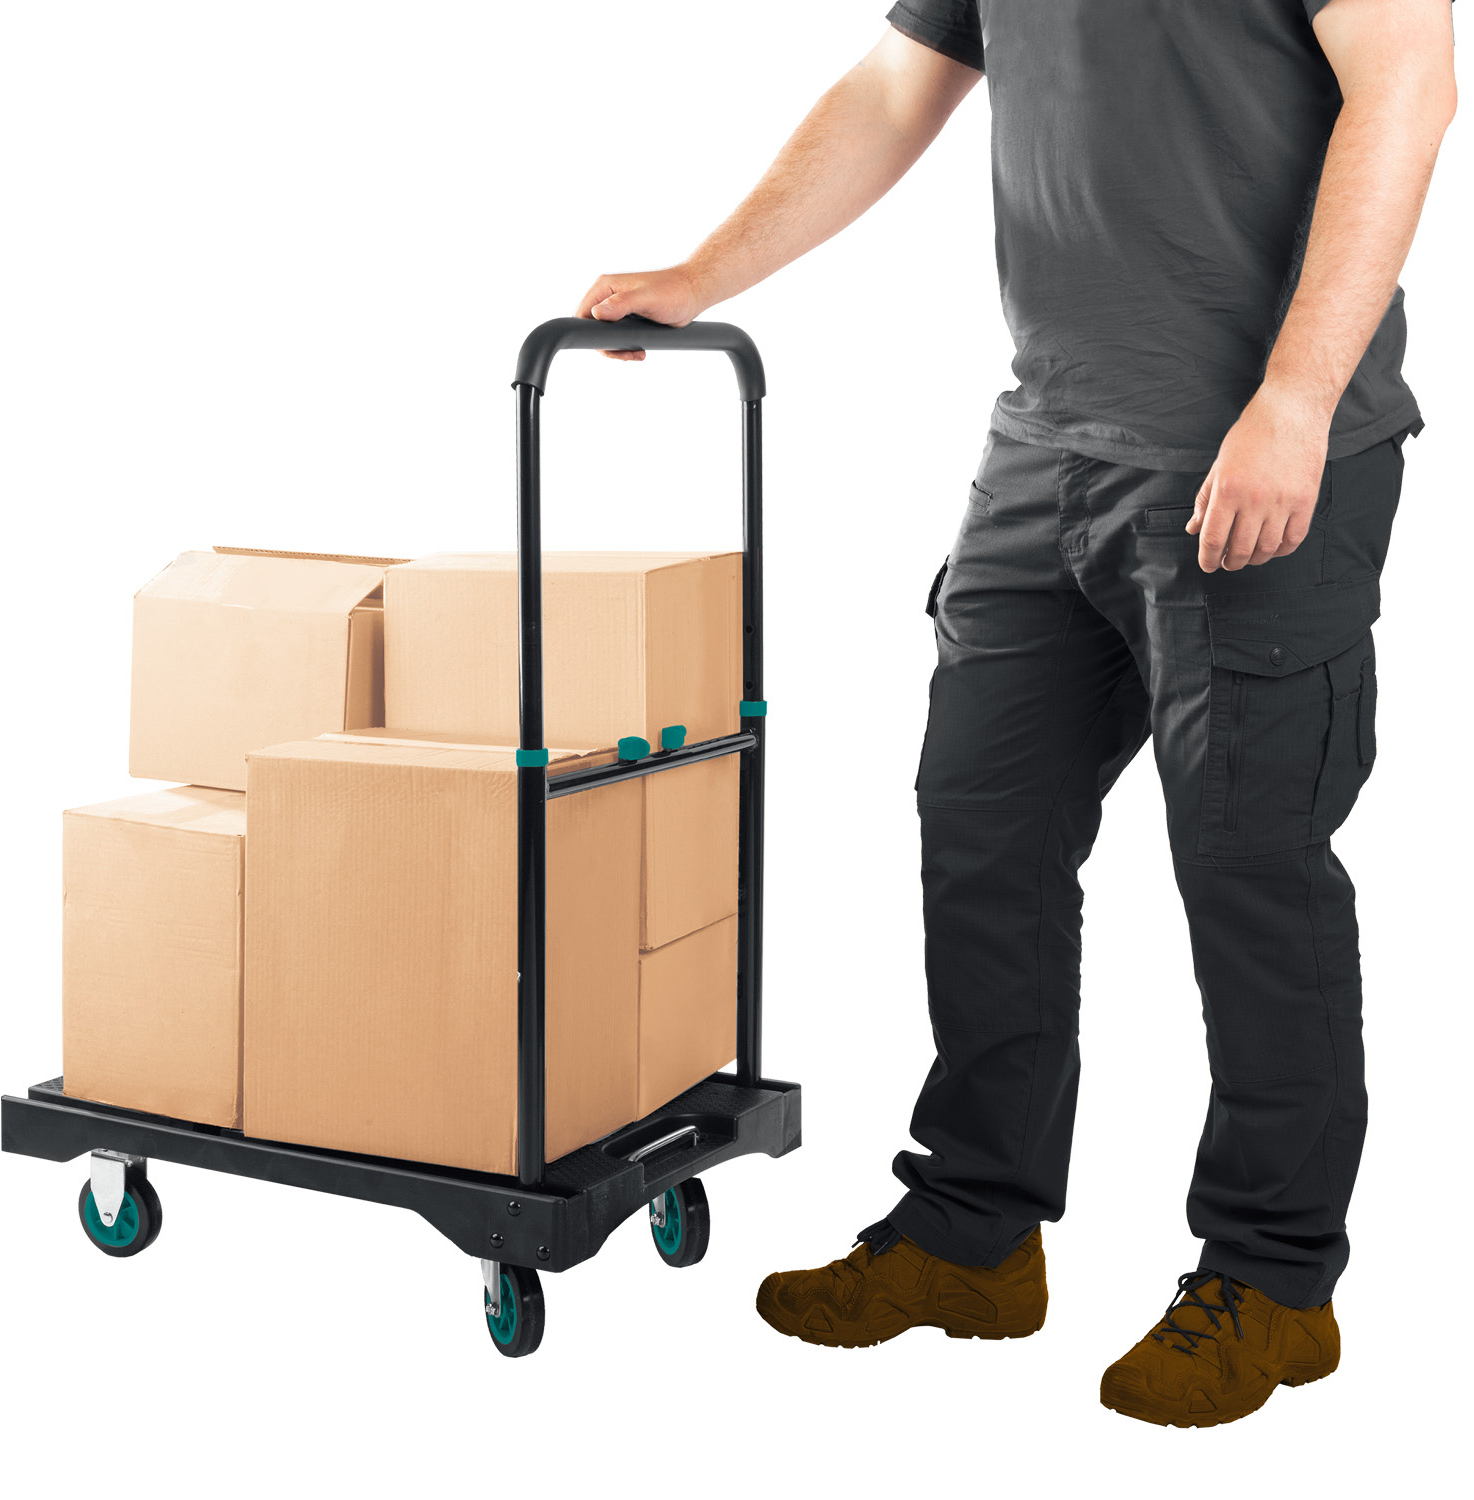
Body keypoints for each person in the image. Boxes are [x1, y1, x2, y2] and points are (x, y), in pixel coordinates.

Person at [577, 0, 1457, 1427]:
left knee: (1250, 868)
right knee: (982, 833)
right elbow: (895, 88)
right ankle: (973, 1231)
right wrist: (704, 274)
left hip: (1260, 452)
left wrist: (1297, 401)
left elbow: (1408, 91)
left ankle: (1275, 1279)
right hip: (1048, 451)